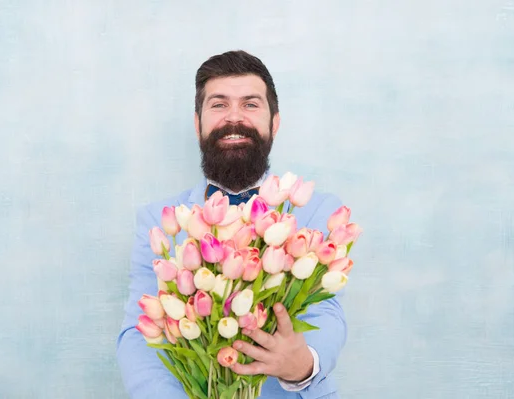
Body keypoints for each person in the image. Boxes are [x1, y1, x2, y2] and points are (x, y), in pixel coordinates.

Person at [117, 50, 347, 399]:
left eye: (251, 104)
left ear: (275, 122)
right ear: (198, 124)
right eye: (219, 105)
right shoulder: (160, 221)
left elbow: (326, 311)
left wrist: (303, 365)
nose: (234, 118)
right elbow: (141, 334)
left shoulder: (317, 213)